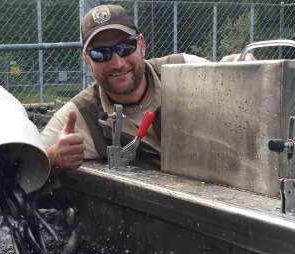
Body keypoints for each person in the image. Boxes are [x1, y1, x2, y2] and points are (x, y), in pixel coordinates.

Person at [40, 4, 255, 173]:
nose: (117, 63)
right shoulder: (80, 115)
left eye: (126, 47)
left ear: (141, 44)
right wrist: (54, 157)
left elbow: (241, 94)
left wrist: (247, 74)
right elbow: (22, 165)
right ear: (88, 60)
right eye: (101, 54)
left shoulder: (186, 70)